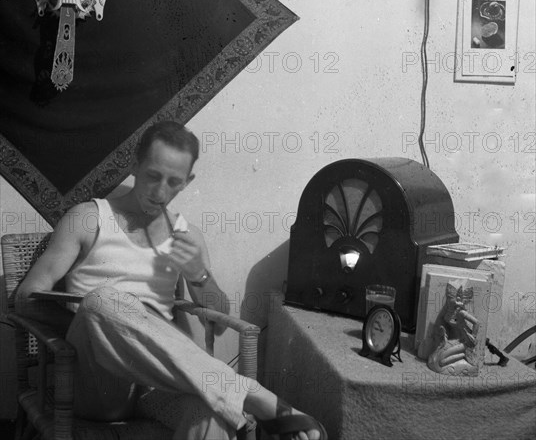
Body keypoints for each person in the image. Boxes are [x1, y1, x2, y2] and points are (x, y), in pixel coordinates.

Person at [15, 121, 327, 440]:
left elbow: (219, 320)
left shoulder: (185, 235)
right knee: (102, 301)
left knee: (211, 418)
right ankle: (250, 393)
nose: (160, 192)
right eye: (152, 176)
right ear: (134, 165)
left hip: (158, 385)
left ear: (187, 182)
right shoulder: (88, 218)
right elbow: (26, 298)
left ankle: (239, 395)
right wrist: (93, 322)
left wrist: (198, 275)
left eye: (174, 182)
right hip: (99, 384)